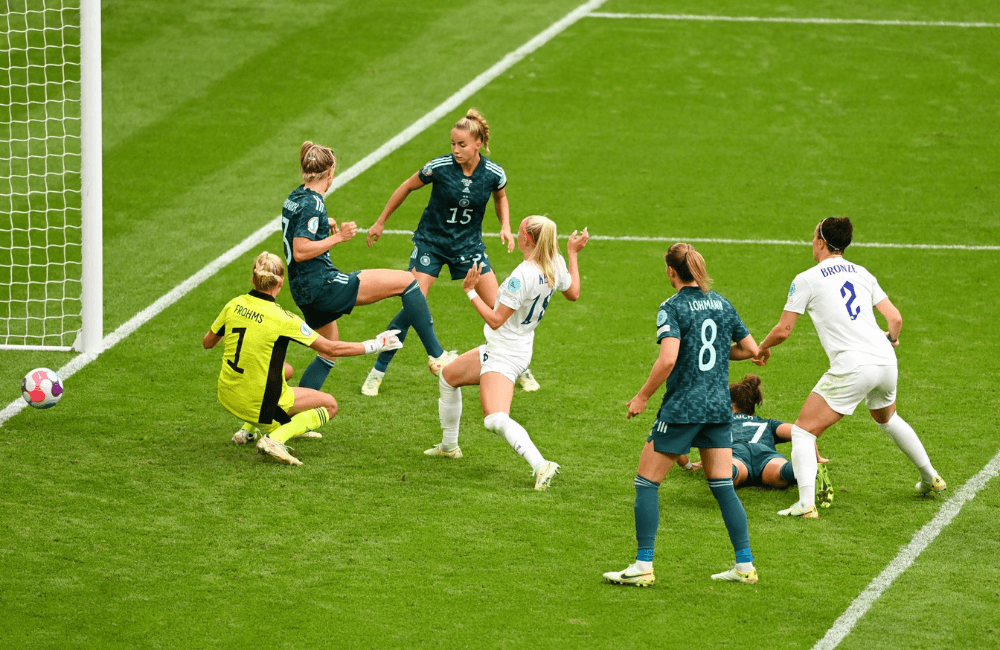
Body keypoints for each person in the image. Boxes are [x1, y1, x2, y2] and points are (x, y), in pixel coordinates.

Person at [754, 217, 945, 520]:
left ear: (820, 241)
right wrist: (890, 339)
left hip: (854, 365)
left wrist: (762, 347)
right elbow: (894, 319)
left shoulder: (807, 278)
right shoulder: (862, 273)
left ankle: (805, 505)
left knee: (803, 431)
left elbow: (784, 329)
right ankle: (930, 477)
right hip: (885, 360)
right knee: (887, 418)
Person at [604, 243, 761, 588]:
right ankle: (744, 564)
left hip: (684, 408)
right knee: (722, 486)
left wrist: (642, 396)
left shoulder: (672, 307)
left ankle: (644, 565)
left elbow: (668, 358)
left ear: (671, 271)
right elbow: (750, 349)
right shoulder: (722, 302)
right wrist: (722, 353)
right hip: (719, 408)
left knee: (646, 483)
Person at [362, 109, 540, 396]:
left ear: (478, 144)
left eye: (462, 145)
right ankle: (377, 371)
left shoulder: (494, 173)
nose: (456, 150)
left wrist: (505, 225)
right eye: (453, 144)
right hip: (431, 244)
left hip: (469, 248)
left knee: (499, 308)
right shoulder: (439, 167)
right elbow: (407, 186)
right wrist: (381, 221)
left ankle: (519, 366)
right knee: (413, 303)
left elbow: (501, 197)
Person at [423, 215, 588, 490]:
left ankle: (541, 464)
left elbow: (496, 319)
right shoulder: (554, 262)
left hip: (504, 352)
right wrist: (572, 253)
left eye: (520, 229)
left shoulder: (521, 276)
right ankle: (449, 446)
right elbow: (574, 293)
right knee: (449, 376)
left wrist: (470, 291)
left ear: (527, 239)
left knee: (495, 418)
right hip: (514, 346)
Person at [281, 141, 455, 393]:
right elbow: (300, 250)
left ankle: (295, 415)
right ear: (330, 173)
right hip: (323, 285)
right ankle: (438, 356)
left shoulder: (296, 196)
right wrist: (337, 237)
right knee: (407, 282)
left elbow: (299, 226)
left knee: (329, 353)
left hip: (302, 289)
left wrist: (322, 224)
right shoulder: (312, 204)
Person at [203, 251, 402, 466]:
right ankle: (274, 439)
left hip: (227, 394)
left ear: (253, 279)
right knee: (330, 406)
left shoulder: (233, 305)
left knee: (286, 371)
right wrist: (376, 345)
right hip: (255, 404)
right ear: (280, 283)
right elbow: (330, 348)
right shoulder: (284, 319)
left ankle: (247, 431)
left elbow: (208, 342)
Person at [685, 374, 833, 502]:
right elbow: (802, 433)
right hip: (766, 456)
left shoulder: (719, 424)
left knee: (726, 474)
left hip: (736, 454)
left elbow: (678, 440)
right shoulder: (767, 423)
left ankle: (724, 470)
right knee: (782, 473)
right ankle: (808, 468)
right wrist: (815, 457)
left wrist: (689, 465)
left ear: (731, 407)